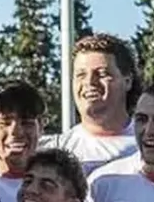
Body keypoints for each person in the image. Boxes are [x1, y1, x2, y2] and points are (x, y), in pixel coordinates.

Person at [43, 33, 140, 174]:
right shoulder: (54, 151)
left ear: (127, 81)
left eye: (101, 74)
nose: (89, 82)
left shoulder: (150, 146)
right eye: (81, 75)